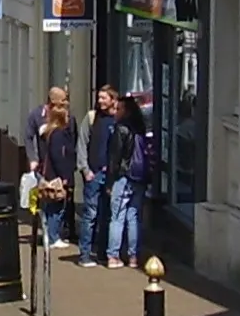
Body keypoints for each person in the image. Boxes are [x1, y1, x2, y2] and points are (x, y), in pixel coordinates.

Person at [78, 86, 126, 268]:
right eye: (99, 98)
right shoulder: (91, 117)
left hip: (111, 174)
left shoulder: (117, 119)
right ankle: (84, 255)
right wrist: (85, 169)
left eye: (104, 98)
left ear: (113, 99)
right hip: (94, 172)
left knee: (107, 214)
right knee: (90, 214)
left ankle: (102, 253)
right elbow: (82, 143)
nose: (100, 101)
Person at [27, 87, 78, 251]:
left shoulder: (65, 125)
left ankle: (52, 234)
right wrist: (33, 160)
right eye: (62, 105)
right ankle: (53, 236)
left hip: (50, 169)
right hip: (49, 171)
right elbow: (57, 154)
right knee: (55, 203)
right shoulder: (46, 123)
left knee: (53, 204)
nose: (66, 109)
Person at [106, 93, 150, 269]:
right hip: (139, 176)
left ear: (126, 111)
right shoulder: (140, 128)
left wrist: (110, 181)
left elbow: (115, 158)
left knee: (117, 217)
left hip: (124, 176)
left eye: (118, 109)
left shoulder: (121, 129)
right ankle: (133, 257)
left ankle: (113, 256)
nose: (115, 112)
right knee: (134, 217)